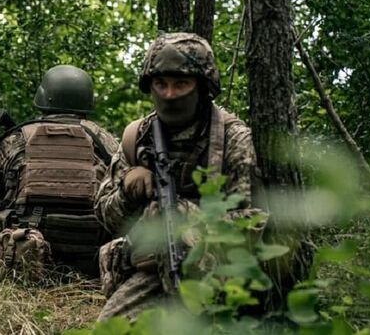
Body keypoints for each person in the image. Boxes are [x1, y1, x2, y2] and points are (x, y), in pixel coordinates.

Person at [94, 33, 258, 320]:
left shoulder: (231, 138)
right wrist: (128, 191)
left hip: (219, 272)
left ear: (202, 87)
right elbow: (105, 217)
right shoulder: (137, 137)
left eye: (181, 84)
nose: (169, 94)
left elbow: (250, 223)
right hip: (149, 269)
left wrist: (185, 216)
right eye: (161, 84)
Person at [0, 65, 119, 280]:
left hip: (27, 242)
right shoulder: (103, 138)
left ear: (44, 96)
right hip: (89, 247)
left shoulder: (18, 137)